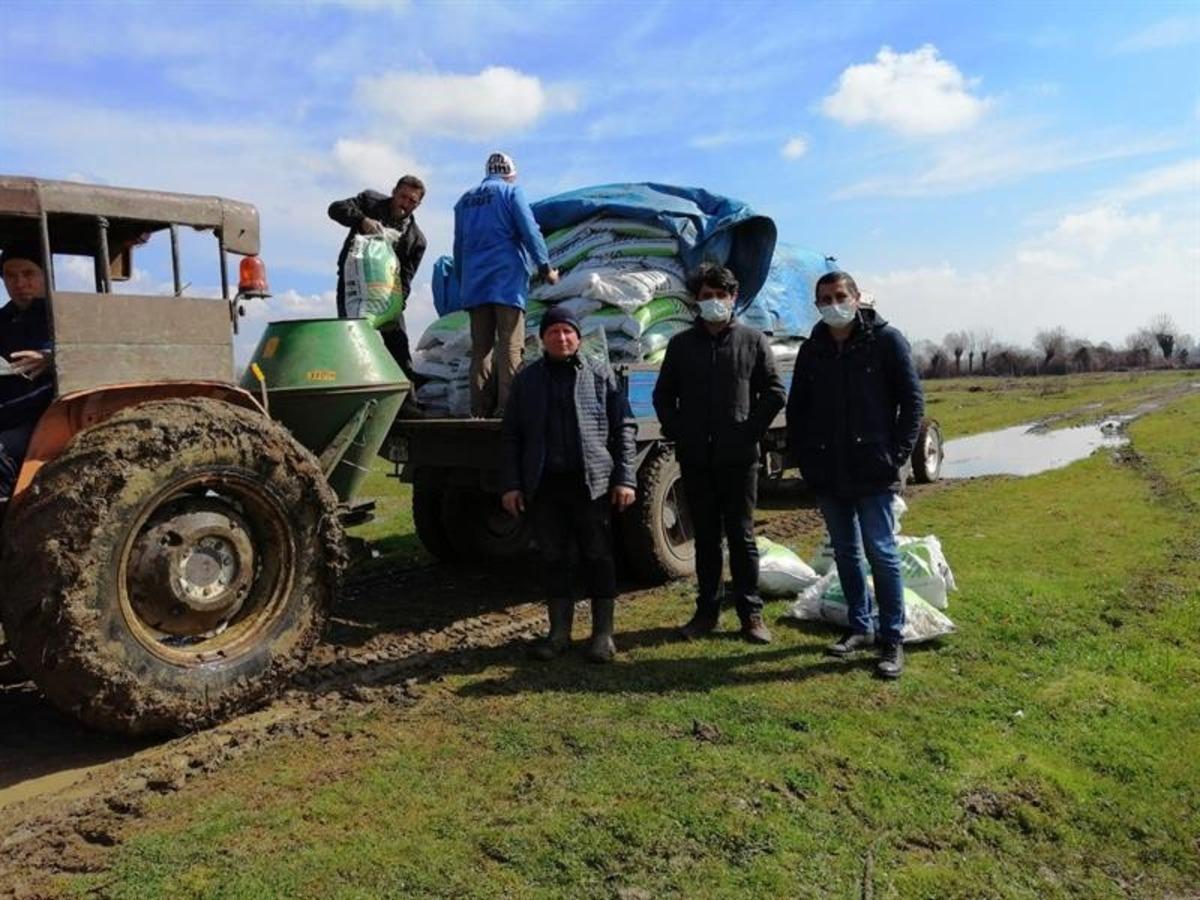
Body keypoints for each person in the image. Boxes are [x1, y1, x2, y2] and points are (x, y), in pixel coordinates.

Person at [785, 271, 924, 679]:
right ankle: (860, 627)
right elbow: (799, 409)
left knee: (881, 551)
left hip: (873, 468)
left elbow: (912, 404)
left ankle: (891, 637)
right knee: (845, 552)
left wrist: (896, 455)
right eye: (824, 299)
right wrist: (807, 460)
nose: (833, 304)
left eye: (840, 296)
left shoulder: (886, 341)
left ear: (858, 297)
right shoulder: (813, 349)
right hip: (829, 470)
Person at [652, 263, 786, 644]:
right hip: (696, 459)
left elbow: (775, 392)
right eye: (706, 296)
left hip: (739, 459)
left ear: (733, 298)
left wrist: (749, 431)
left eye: (720, 296)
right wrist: (681, 432)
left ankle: (751, 616)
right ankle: (706, 613)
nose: (713, 302)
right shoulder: (681, 345)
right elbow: (663, 396)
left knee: (741, 536)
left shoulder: (752, 341)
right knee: (706, 539)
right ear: (696, 300)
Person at [500, 305, 636, 663]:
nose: (561, 338)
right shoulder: (528, 380)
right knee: (553, 558)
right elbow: (511, 435)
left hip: (591, 484)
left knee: (598, 556)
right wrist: (512, 484)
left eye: (567, 331)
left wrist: (625, 477)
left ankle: (603, 635)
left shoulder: (598, 374)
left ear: (578, 337)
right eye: (553, 332)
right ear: (542, 339)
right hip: (545, 487)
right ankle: (558, 634)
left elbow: (623, 426)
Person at [454, 152, 558, 418]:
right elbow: (530, 230)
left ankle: (478, 410)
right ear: (510, 173)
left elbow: (458, 247)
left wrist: (462, 281)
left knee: (481, 350)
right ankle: (507, 410)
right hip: (506, 281)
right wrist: (545, 267)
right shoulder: (511, 193)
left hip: (475, 284)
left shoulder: (464, 201)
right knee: (510, 345)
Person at [328, 175, 427, 381]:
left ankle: (407, 402)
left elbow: (406, 278)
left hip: (388, 294)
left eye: (412, 201)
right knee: (354, 337)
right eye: (403, 196)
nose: (405, 203)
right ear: (394, 192)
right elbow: (335, 209)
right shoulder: (369, 203)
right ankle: (355, 386)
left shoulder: (416, 240)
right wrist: (361, 220)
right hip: (354, 286)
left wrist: (397, 305)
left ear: (418, 205)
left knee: (398, 346)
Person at [0, 244, 54, 504]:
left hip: (40, 417)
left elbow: (92, 350)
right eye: (11, 275)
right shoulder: (3, 318)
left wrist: (53, 358)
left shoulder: (61, 314)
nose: (20, 282)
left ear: (45, 274)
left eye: (28, 273)